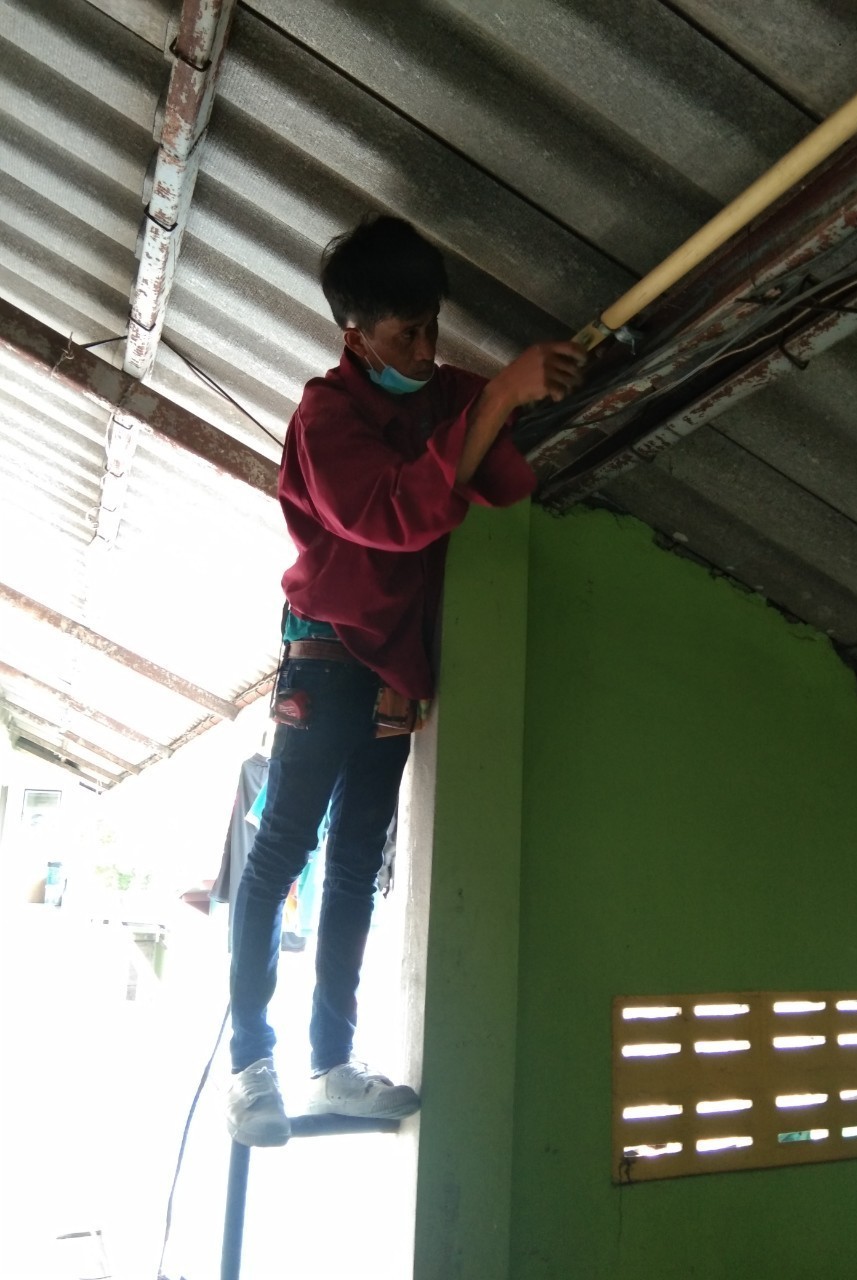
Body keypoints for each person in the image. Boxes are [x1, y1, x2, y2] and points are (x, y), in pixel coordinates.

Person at [226, 215, 584, 1146]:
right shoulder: (326, 418)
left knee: (355, 866)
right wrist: (498, 394)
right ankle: (251, 1070)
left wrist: (523, 390)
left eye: (432, 327)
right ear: (355, 334)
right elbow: (392, 514)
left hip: (396, 662)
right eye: (406, 333)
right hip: (327, 651)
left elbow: (501, 455)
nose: (426, 351)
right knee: (281, 852)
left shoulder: (437, 394)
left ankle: (333, 1066)